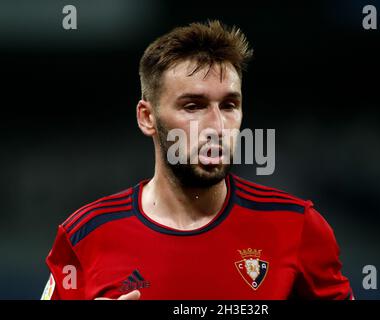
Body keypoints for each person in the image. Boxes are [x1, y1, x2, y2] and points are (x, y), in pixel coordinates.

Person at [41, 20, 353, 300]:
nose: (217, 126)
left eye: (229, 105)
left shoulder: (297, 226)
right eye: (193, 106)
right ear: (147, 117)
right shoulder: (85, 235)